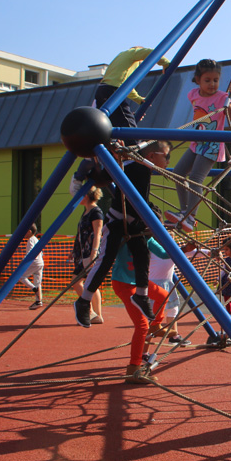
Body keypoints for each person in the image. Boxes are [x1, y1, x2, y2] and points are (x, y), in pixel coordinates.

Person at [74, 141, 171, 328]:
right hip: (117, 221)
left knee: (143, 254)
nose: (167, 161)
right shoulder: (130, 167)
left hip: (133, 222)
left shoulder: (144, 169)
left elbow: (142, 200)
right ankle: (84, 300)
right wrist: (115, 155)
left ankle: (141, 296)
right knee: (106, 258)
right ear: (151, 156)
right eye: (166, 156)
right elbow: (106, 176)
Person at [165, 59, 231, 233]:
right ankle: (185, 211)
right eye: (207, 80)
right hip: (196, 142)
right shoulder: (193, 94)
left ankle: (191, 217)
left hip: (212, 145)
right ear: (198, 79)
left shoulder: (222, 97)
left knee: (196, 178)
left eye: (216, 80)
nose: (212, 84)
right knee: (177, 173)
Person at [111, 237, 173, 385]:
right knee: (141, 326)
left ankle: (156, 325)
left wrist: (184, 249)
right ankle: (133, 368)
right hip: (123, 283)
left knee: (163, 295)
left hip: (139, 282)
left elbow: (164, 253)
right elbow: (107, 249)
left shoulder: (148, 238)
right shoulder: (125, 235)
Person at [94, 46, 170, 131]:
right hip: (113, 91)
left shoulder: (121, 56)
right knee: (127, 122)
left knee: (109, 123)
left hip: (102, 89)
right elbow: (151, 52)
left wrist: (138, 99)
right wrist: (165, 63)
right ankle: (133, 143)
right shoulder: (133, 53)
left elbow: (126, 84)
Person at [69, 186, 105, 324]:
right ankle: (95, 314)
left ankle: (91, 311)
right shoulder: (86, 212)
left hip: (89, 253)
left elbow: (98, 233)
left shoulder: (96, 212)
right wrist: (74, 250)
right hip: (82, 253)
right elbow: (80, 234)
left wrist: (94, 252)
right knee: (88, 282)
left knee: (77, 281)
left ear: (86, 196)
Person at [18, 223, 43, 310]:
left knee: (21, 277)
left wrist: (24, 261)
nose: (24, 234)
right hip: (40, 262)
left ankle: (34, 289)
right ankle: (38, 301)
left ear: (29, 231)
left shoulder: (31, 240)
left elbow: (31, 252)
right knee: (37, 282)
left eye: (25, 232)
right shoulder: (36, 239)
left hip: (34, 262)